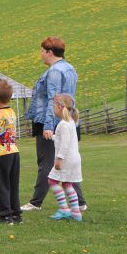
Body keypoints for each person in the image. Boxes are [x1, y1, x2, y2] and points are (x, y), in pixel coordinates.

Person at [21, 36, 86, 213]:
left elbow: (54, 100)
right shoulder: (70, 68)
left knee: (45, 162)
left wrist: (48, 126)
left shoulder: (55, 71)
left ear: (50, 52)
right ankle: (80, 202)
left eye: (42, 51)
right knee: (66, 161)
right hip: (69, 120)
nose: (41, 54)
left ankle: (35, 202)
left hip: (51, 121)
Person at [0, 78, 21, 224]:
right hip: (14, 151)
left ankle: (5, 215)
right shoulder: (12, 112)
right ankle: (16, 214)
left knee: (1, 184)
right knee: (13, 184)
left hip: (1, 153)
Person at [47, 93, 83, 222]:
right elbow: (63, 139)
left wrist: (59, 159)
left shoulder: (63, 124)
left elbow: (65, 145)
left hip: (66, 159)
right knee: (68, 184)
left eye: (54, 106)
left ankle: (64, 209)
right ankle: (76, 213)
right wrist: (52, 136)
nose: (53, 109)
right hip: (75, 159)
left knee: (52, 181)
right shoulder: (71, 122)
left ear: (59, 106)